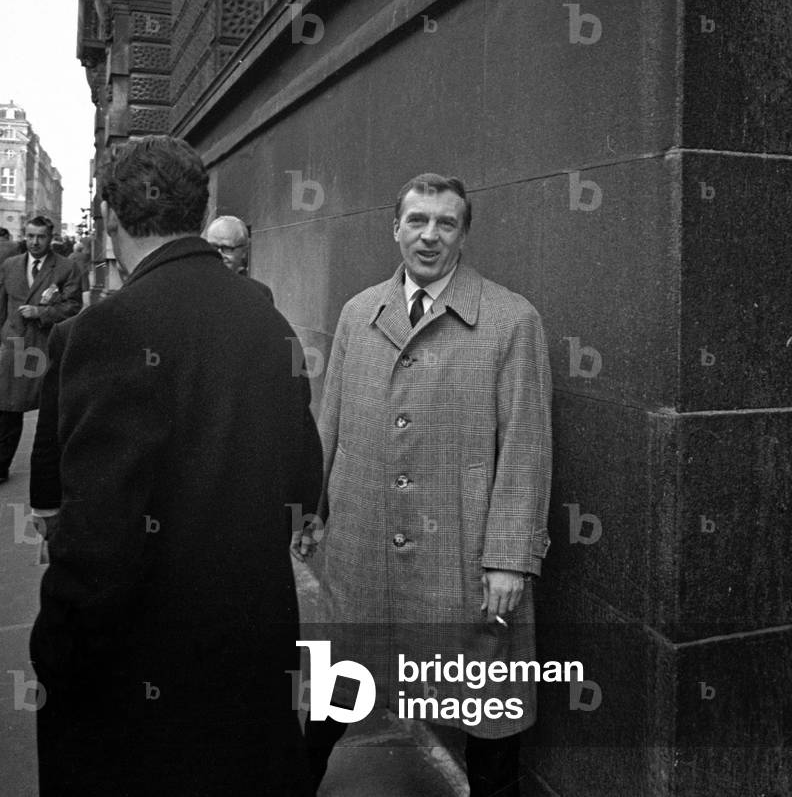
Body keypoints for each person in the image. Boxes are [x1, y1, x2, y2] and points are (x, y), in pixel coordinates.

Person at [30, 135, 322, 795]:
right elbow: (303, 472)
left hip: (146, 681)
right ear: (200, 208)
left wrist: (56, 648)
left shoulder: (106, 328)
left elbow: (97, 536)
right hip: (252, 654)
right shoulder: (267, 318)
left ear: (109, 219)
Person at [295, 173, 552, 797]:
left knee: (489, 718)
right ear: (396, 228)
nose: (429, 236)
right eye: (417, 221)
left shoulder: (511, 320)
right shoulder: (360, 312)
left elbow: (526, 447)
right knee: (336, 699)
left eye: (445, 223)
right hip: (360, 553)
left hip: (462, 562)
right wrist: (310, 511)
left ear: (464, 235)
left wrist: (509, 562)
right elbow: (327, 423)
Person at [0, 217, 81, 483]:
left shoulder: (66, 268)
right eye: (30, 236)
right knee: (8, 409)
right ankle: (1, 466)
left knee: (48, 410)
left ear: (51, 237)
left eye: (41, 237)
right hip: (14, 346)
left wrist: (41, 312)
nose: (34, 242)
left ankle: (50, 470)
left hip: (45, 347)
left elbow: (73, 307)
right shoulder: (11, 265)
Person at [205, 214, 273, 302]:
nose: (218, 254)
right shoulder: (190, 287)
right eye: (212, 247)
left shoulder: (260, 294)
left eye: (227, 248)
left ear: (244, 251)